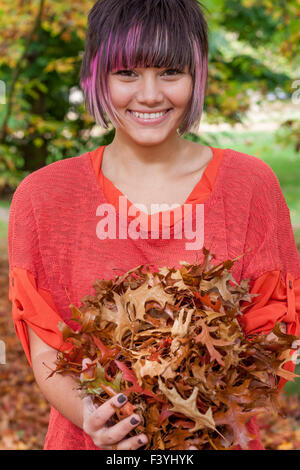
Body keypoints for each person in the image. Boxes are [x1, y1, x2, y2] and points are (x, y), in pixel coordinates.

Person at [8, 0, 300, 451]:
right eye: (127, 73)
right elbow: (46, 344)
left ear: (197, 75)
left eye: (170, 73)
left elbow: (272, 330)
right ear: (97, 75)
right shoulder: (44, 197)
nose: (149, 95)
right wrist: (92, 417)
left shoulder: (249, 186)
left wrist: (202, 416)